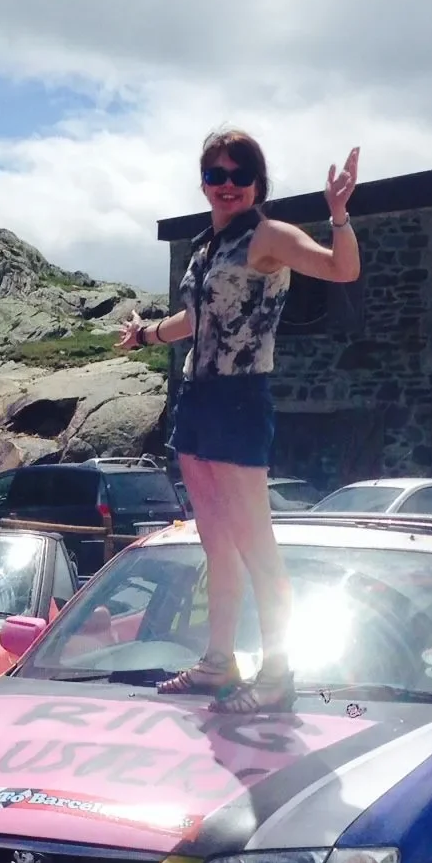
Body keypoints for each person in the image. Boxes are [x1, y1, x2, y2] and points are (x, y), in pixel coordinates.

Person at [117, 130, 361, 712]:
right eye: (215, 175)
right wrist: (147, 333)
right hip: (197, 399)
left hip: (241, 399)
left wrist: (339, 216)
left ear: (257, 183)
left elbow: (340, 269)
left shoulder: (268, 236)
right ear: (203, 182)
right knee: (217, 546)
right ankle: (217, 662)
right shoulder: (208, 247)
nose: (226, 186)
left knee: (257, 546)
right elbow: (193, 318)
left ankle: (277, 673)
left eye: (238, 175)